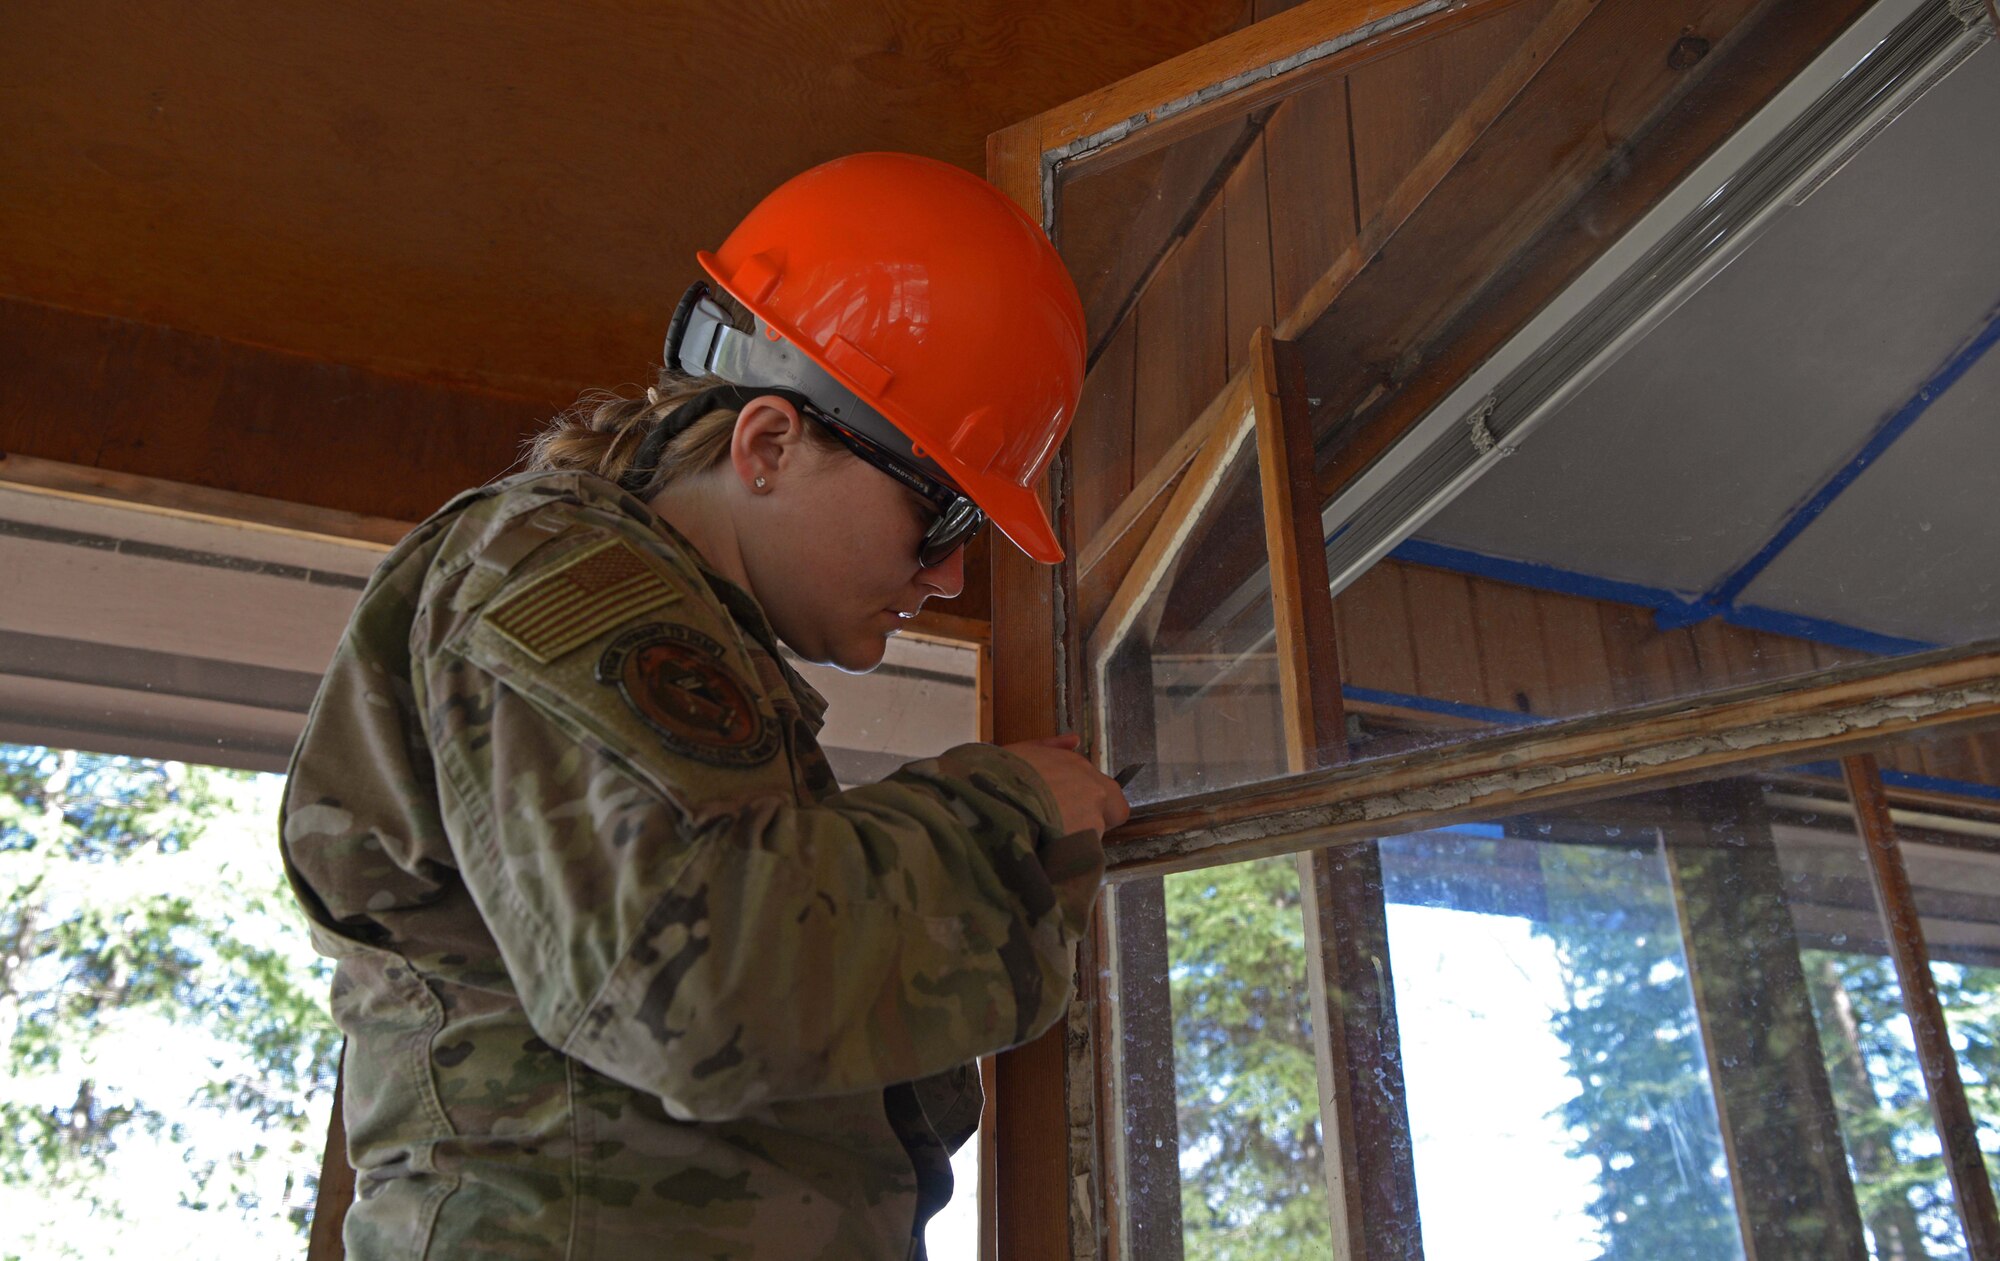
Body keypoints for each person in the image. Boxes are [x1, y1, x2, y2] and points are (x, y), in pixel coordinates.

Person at [279, 151, 1131, 1260]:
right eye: (942, 521)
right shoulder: (552, 564)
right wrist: (1001, 820)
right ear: (769, 443)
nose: (947, 579)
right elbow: (682, 980)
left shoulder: (682, 652)